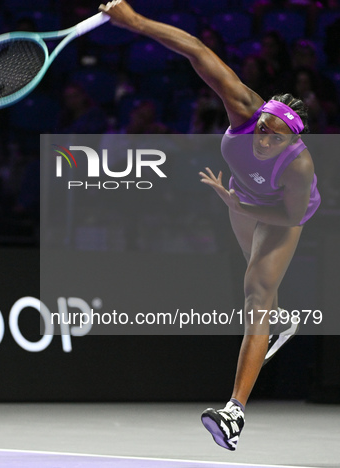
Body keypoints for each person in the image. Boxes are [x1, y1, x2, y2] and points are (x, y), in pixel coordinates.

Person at [99, 0, 320, 451]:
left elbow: (289, 216)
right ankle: (281, 319)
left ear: (292, 139)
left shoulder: (298, 168)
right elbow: (196, 50)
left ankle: (234, 412)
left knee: (256, 291)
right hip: (241, 200)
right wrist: (136, 22)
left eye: (276, 138)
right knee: (258, 285)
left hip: (278, 211)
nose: (265, 139)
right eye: (263, 130)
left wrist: (237, 202)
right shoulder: (244, 108)